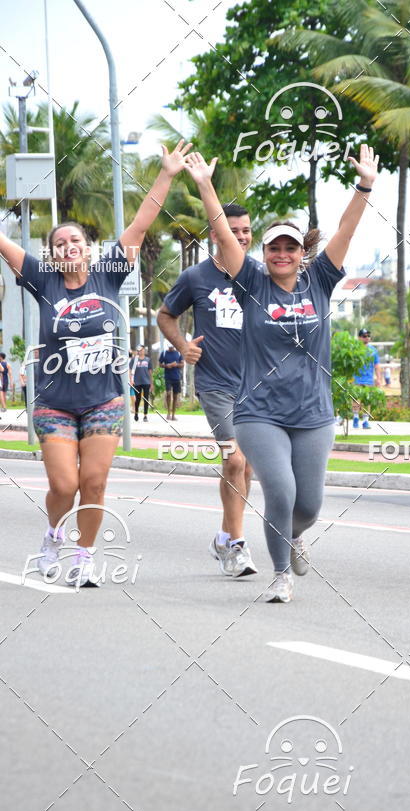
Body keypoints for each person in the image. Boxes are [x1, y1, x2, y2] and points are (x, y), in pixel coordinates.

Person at [186, 144, 379, 602]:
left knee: (308, 505)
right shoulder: (250, 281)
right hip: (259, 414)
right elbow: (222, 235)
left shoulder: (320, 280)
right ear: (266, 252)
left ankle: (292, 536)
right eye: (274, 247)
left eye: (290, 246)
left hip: (313, 413)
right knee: (281, 489)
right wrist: (204, 185)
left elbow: (348, 230)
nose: (282, 253)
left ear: (300, 252)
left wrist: (365, 184)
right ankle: (280, 575)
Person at [0, 140, 192, 586]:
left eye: (75, 240)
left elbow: (142, 224)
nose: (68, 246)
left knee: (96, 484)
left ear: (88, 247)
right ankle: (53, 535)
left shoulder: (109, 272)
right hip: (55, 402)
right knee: (65, 485)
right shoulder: (42, 280)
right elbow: (4, 245)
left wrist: (166, 173)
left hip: (104, 399)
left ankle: (84, 555)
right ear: (51, 253)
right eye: (60, 242)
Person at [157, 203, 257, 578]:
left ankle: (223, 536)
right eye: (233, 230)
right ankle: (237, 545)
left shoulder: (259, 276)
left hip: (255, 385)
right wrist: (184, 347)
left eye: (246, 230)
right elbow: (165, 315)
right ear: (216, 234)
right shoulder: (195, 277)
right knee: (234, 460)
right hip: (215, 383)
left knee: (246, 468)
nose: (241, 236)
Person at [352, 328, 381, 429]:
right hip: (356, 379)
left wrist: (378, 378)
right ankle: (355, 418)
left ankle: (365, 421)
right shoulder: (354, 349)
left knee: (367, 400)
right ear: (359, 337)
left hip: (369, 379)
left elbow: (377, 365)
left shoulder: (373, 350)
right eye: (364, 336)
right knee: (355, 399)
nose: (367, 338)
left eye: (368, 336)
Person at [158, 343, 184, 420]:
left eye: (172, 347)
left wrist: (176, 365)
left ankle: (173, 415)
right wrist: (166, 366)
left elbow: (182, 364)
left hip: (176, 377)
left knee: (175, 396)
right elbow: (160, 364)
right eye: (170, 347)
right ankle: (168, 412)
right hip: (168, 377)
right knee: (168, 393)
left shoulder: (178, 353)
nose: (171, 349)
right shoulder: (164, 353)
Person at [130, 345, 153, 422]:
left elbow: (150, 372)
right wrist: (131, 379)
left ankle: (145, 415)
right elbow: (130, 370)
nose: (140, 351)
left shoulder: (148, 360)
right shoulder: (134, 360)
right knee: (138, 399)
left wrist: (151, 383)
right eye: (139, 350)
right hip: (137, 382)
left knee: (146, 399)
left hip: (146, 382)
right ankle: (136, 413)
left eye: (142, 350)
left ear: (144, 351)